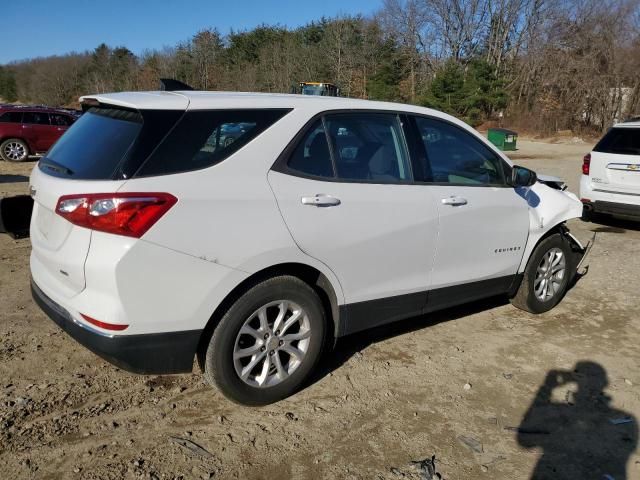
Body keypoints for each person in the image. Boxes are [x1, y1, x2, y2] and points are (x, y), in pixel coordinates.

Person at [518, 361, 637, 479]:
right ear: (604, 383)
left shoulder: (558, 413)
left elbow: (524, 440)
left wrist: (547, 386)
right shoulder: (626, 420)